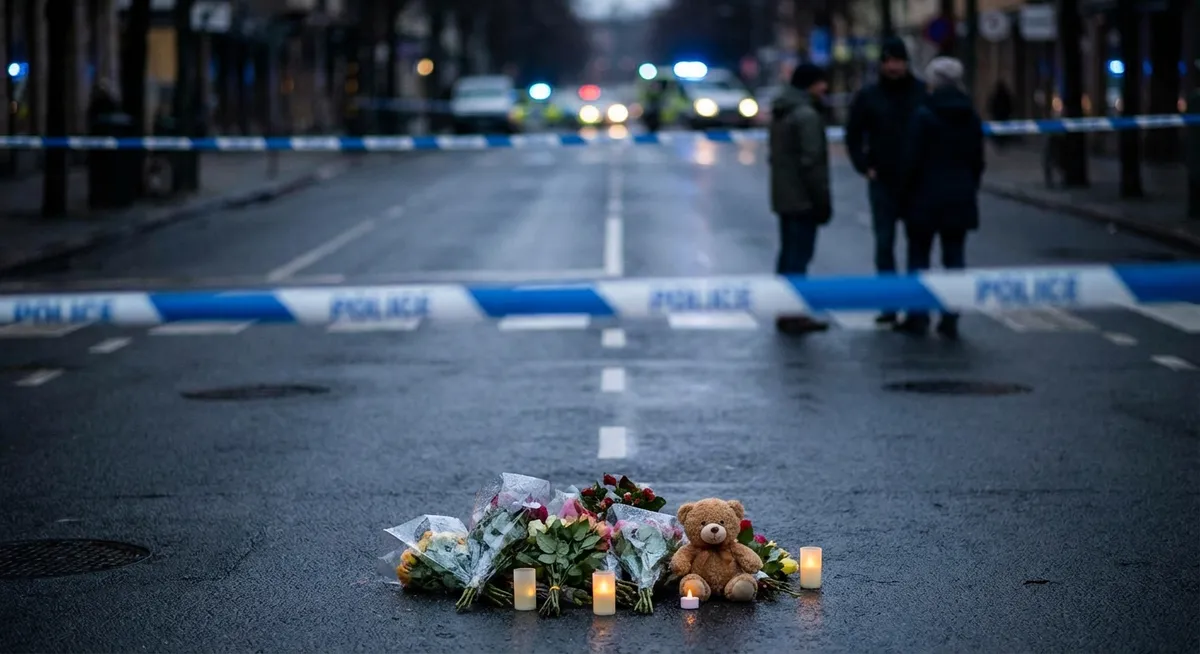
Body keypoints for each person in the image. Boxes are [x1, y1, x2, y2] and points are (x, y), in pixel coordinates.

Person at [894, 57, 985, 339]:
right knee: (954, 258)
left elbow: (911, 159)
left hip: (924, 197)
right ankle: (951, 316)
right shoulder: (970, 116)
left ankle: (918, 316)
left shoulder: (923, 115)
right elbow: (977, 161)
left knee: (919, 257)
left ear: (933, 82)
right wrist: (969, 187)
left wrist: (903, 195)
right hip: (959, 196)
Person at [845, 37, 927, 325]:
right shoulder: (868, 96)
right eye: (888, 61)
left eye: (898, 61)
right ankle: (890, 304)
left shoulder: (921, 92)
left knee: (918, 245)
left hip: (918, 181)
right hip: (883, 179)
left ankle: (917, 307)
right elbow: (853, 135)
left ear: (906, 62)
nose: (893, 66)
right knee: (884, 243)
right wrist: (864, 166)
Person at [769, 62, 833, 334]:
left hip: (785, 196)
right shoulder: (806, 115)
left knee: (788, 255)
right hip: (803, 198)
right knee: (799, 257)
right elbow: (813, 163)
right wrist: (822, 201)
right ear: (810, 84)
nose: (825, 88)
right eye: (821, 82)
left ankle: (784, 309)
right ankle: (794, 312)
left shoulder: (782, 111)